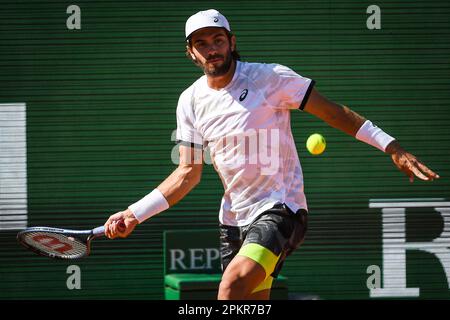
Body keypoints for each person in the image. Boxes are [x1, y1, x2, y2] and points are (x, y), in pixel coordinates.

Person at [104, 9, 440, 300]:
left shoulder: (270, 78)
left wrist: (391, 145)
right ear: (191, 52)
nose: (212, 49)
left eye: (217, 40)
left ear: (231, 42)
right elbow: (187, 174)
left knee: (230, 288)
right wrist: (135, 214)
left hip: (282, 209)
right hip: (233, 222)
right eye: (201, 44)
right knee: (255, 300)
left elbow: (334, 112)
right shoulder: (189, 101)